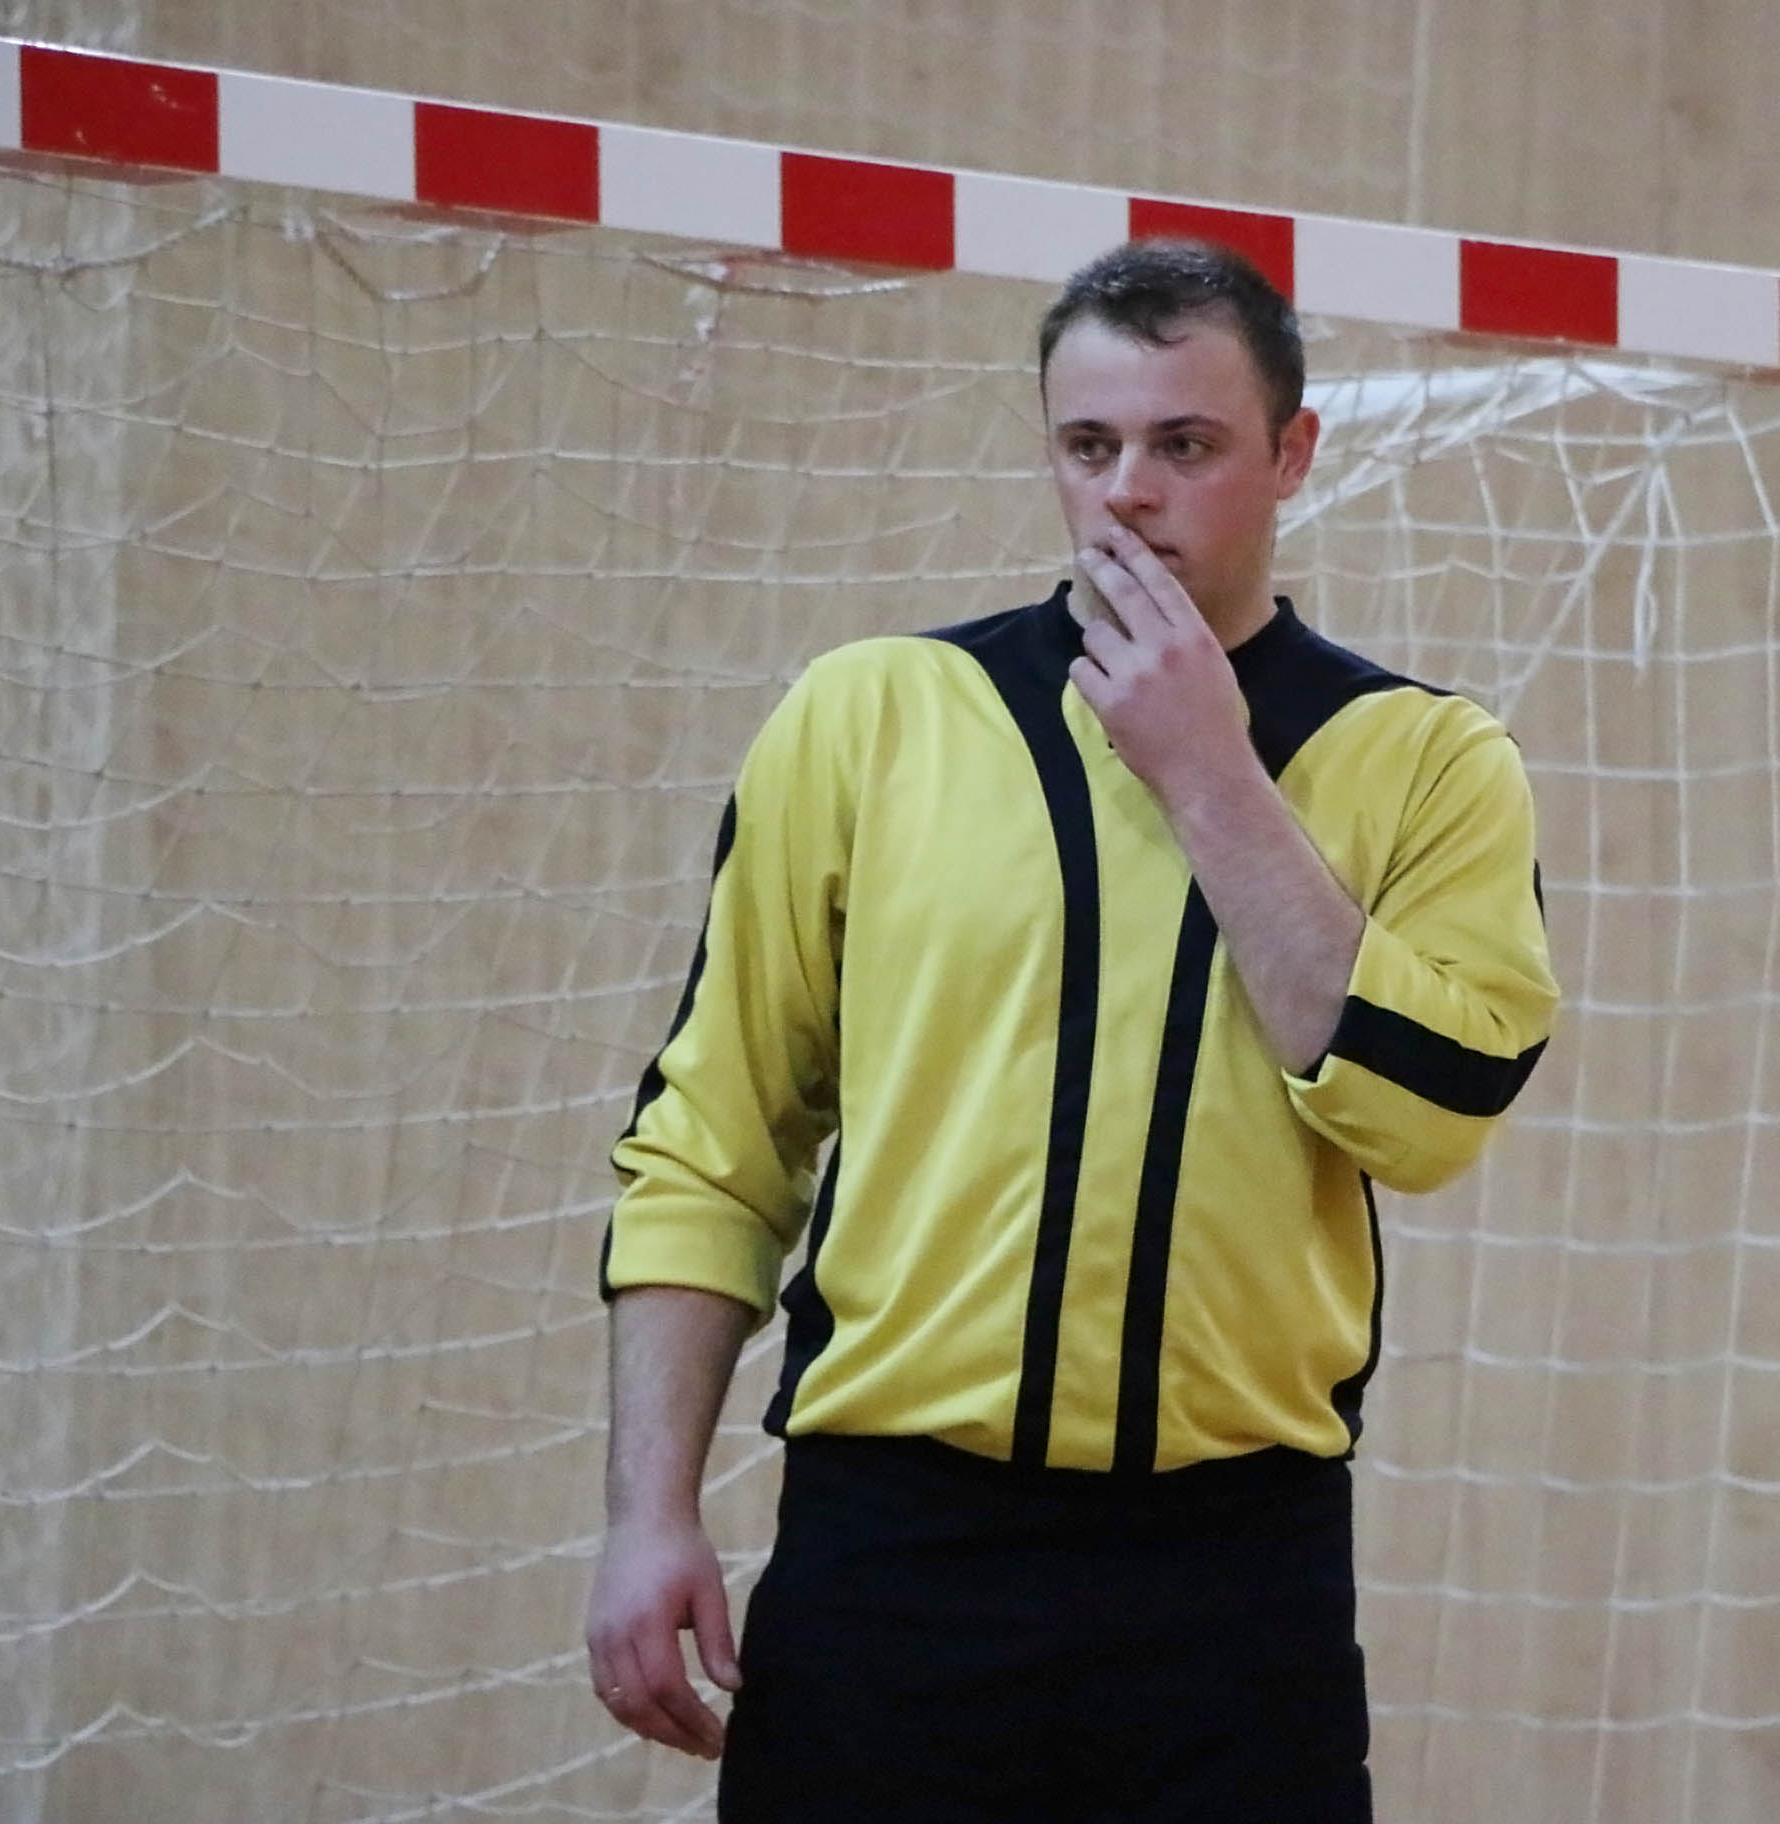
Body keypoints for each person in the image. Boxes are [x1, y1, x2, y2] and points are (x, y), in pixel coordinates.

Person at [584, 237, 1559, 1822]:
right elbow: (716, 1140)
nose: (1129, 495)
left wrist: (1213, 776)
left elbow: (1429, 1114)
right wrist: (650, 1512)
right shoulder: (870, 715)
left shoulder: (1430, 760)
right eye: (1089, 445)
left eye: (1187, 445)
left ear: (1292, 454)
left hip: (1233, 1583)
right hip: (894, 1555)